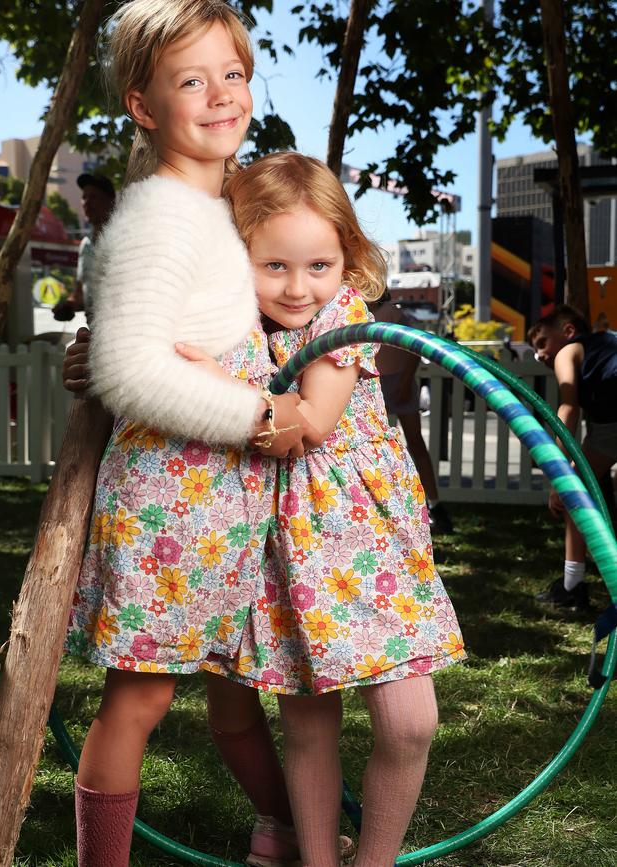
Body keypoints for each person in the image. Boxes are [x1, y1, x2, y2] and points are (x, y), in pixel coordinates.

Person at [64, 3, 309, 866]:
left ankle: (281, 828)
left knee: (236, 696)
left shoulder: (217, 205)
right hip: (176, 495)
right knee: (139, 701)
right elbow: (134, 370)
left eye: (232, 75)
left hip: (224, 499)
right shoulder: (164, 212)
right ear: (143, 103)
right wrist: (264, 417)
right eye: (190, 80)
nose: (219, 96)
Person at [179, 153, 466, 867]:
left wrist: (218, 385)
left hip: (370, 540)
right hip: (288, 544)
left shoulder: (345, 314)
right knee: (307, 722)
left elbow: (304, 424)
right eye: (274, 266)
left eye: (319, 264)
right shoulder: (232, 323)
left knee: (408, 721)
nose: (299, 287)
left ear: (346, 258)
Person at [528, 304, 617, 609]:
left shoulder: (569, 351)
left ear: (567, 332)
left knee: (573, 491)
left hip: (610, 427)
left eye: (541, 342)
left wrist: (559, 477)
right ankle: (572, 585)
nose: (539, 354)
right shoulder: (605, 348)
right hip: (608, 427)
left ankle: (572, 586)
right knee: (580, 490)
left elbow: (568, 409)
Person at [371, 295, 454, 535]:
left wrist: (406, 382)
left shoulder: (392, 313)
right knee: (378, 447)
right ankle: (385, 504)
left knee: (415, 443)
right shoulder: (354, 310)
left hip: (399, 381)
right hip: (376, 383)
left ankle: (435, 504)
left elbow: (413, 349)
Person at [52, 173, 116, 324]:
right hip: (93, 332)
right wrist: (68, 305)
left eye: (93, 197)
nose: (87, 202)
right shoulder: (85, 245)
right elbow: (79, 295)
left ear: (111, 201)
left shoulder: (122, 240)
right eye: (84, 197)